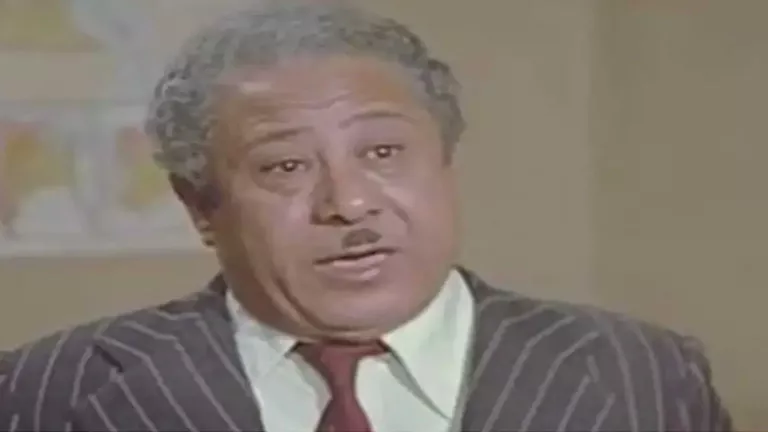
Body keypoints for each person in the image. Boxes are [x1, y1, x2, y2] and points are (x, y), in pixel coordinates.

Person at [0, 1, 732, 431]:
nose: (348, 203)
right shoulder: (47, 391)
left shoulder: (642, 374)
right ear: (200, 207)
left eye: (383, 152)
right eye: (285, 167)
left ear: (445, 162)